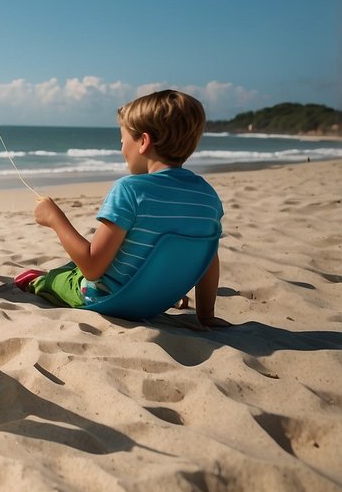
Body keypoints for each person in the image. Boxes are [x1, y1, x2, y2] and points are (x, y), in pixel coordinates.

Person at [16, 90, 228, 327]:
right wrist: (206, 315)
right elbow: (208, 259)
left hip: (109, 299)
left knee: (60, 276)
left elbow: (92, 268)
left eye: (122, 140)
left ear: (143, 142)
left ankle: (36, 282)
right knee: (80, 264)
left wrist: (55, 218)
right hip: (155, 299)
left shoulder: (130, 190)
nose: (121, 149)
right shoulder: (207, 196)